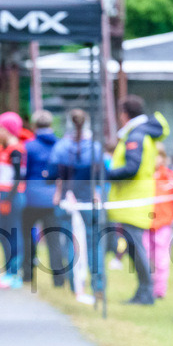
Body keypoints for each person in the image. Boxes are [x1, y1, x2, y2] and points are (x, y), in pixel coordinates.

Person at [106, 94, 169, 305]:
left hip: (132, 198)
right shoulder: (140, 133)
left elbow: (131, 168)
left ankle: (146, 291)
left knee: (136, 246)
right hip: (134, 197)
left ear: (125, 114)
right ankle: (144, 291)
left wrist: (107, 174)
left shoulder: (135, 135)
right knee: (133, 247)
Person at [52, 108, 102, 303]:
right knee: (94, 242)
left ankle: (76, 286)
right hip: (87, 197)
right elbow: (100, 174)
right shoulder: (95, 147)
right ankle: (98, 286)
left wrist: (58, 192)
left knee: (70, 242)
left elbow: (55, 174)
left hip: (67, 198)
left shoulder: (61, 147)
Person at [20, 110, 66, 288]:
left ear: (34, 126)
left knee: (28, 237)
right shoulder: (60, 145)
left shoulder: (29, 146)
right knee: (54, 239)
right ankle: (59, 280)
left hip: (31, 198)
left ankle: (27, 275)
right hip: (53, 197)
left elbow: (23, 172)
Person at [0, 111, 27, 289]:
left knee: (12, 234)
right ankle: (8, 272)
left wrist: (8, 199)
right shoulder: (5, 148)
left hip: (11, 197)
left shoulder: (16, 150)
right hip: (4, 195)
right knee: (2, 234)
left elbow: (18, 178)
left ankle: (14, 274)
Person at [144, 144, 173, 299]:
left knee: (161, 257)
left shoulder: (169, 177)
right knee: (146, 255)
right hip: (146, 222)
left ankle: (159, 290)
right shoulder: (144, 176)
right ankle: (147, 285)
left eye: (158, 155)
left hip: (163, 223)